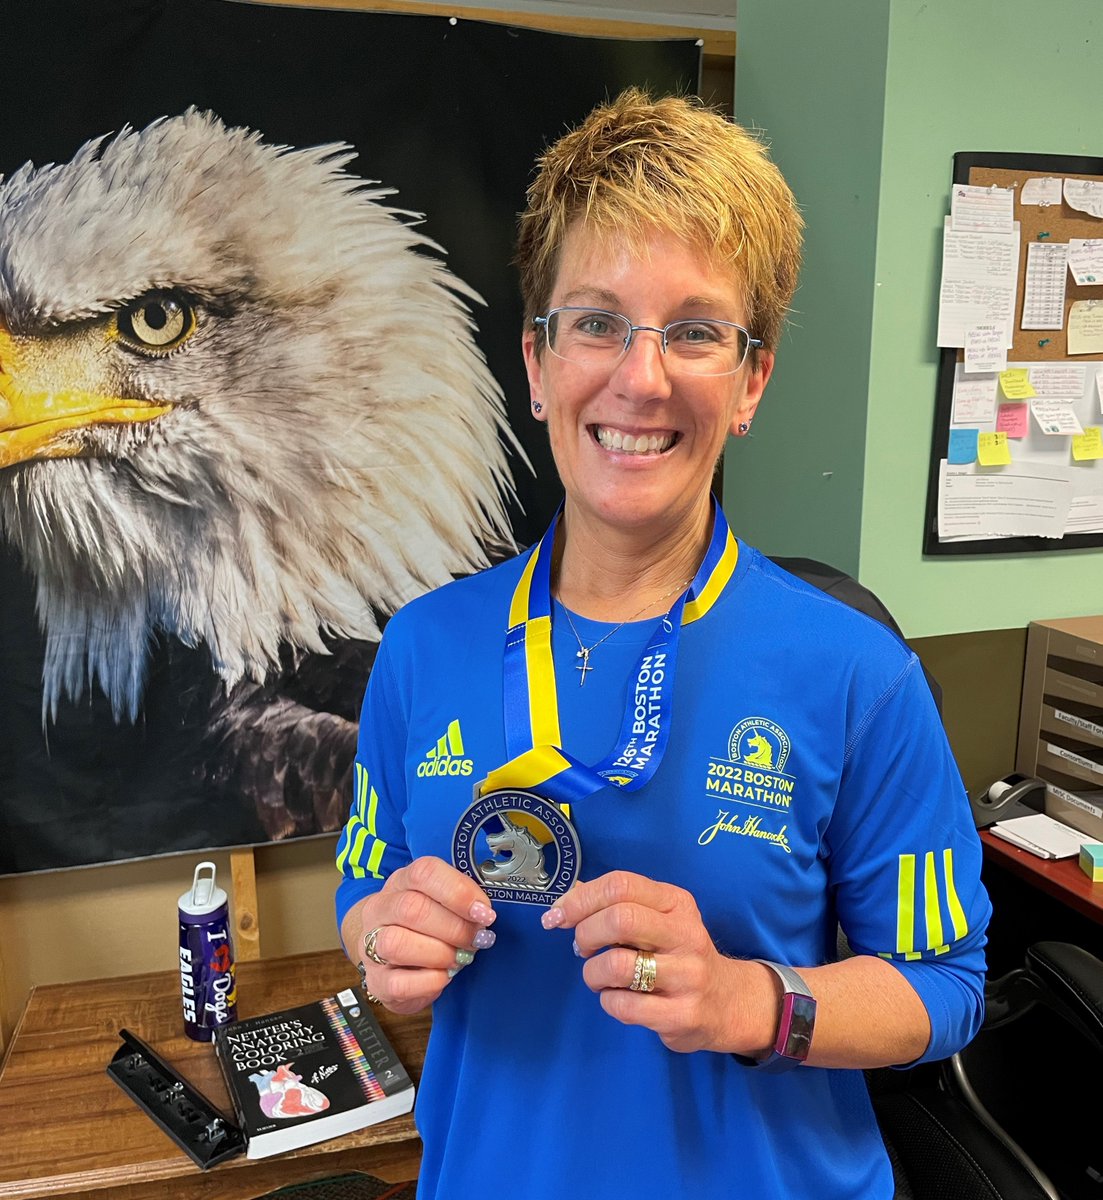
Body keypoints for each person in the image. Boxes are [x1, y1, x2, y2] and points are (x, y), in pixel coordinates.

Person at [335, 87, 991, 1199]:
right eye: (596, 320)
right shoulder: (421, 646)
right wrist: (378, 942)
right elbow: (361, 884)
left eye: (693, 331)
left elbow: (946, 988)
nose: (640, 378)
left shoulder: (856, 676)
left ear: (749, 381)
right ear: (537, 363)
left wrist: (751, 1002)